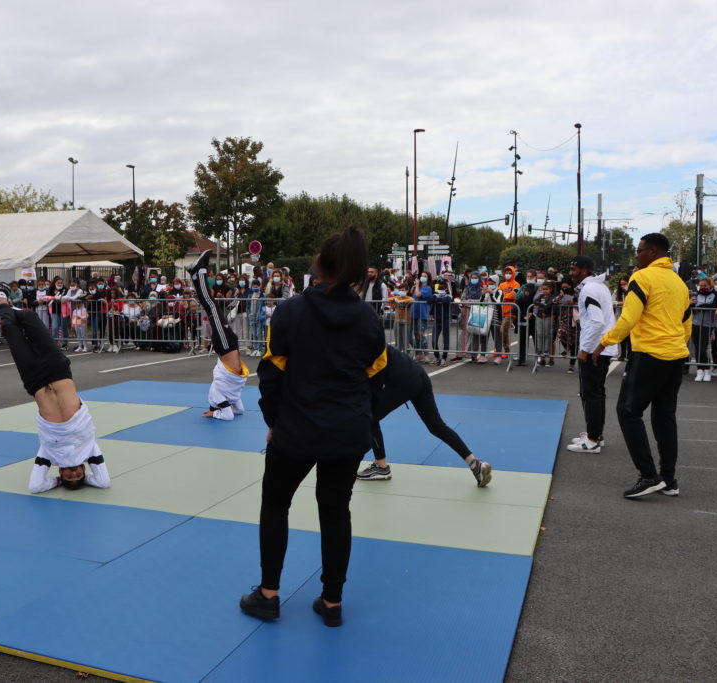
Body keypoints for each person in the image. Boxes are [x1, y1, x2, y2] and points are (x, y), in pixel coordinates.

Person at [239, 226, 386, 628]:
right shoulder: (369, 321)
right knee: (336, 511)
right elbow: (375, 381)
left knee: (275, 503)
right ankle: (332, 601)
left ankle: (268, 595)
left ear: (319, 263)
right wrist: (363, 423)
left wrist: (274, 422)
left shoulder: (290, 311)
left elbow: (270, 375)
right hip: (348, 431)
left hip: (296, 430)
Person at [0, 270, 110, 494]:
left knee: (10, 329)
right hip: (58, 371)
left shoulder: (48, 454)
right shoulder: (89, 449)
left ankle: (0, 295)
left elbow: (35, 486)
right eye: (79, 475)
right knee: (29, 319)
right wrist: (86, 478)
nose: (74, 473)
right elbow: (103, 482)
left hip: (35, 381)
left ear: (59, 473)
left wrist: (57, 482)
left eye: (70, 477)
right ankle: (7, 301)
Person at [593, 233, 690, 499]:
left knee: (627, 410)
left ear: (654, 252)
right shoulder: (679, 283)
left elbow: (630, 316)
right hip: (675, 354)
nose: (636, 254)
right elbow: (686, 323)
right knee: (664, 416)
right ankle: (669, 480)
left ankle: (648, 475)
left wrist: (606, 341)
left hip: (650, 353)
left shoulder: (642, 277)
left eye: (640, 250)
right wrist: (678, 345)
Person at [357, 345, 491, 485]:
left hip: (403, 381)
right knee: (436, 426)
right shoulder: (369, 336)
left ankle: (381, 466)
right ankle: (475, 463)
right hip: (418, 374)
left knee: (370, 417)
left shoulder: (357, 348)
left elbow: (371, 386)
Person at [187, 249, 250, 421]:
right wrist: (221, 408)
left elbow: (229, 416)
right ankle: (195, 275)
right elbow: (239, 411)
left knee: (211, 305)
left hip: (226, 345)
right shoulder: (231, 397)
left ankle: (199, 272)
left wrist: (215, 411)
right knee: (211, 305)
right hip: (230, 345)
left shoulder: (217, 395)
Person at [565, 256, 618, 454]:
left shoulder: (589, 289)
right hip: (601, 348)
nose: (571, 273)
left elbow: (596, 322)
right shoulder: (598, 287)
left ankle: (593, 439)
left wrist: (584, 350)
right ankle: (595, 434)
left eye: (574, 269)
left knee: (590, 394)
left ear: (585, 271)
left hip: (595, 350)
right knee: (596, 393)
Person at [690, 277, 717, 382]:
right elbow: (691, 305)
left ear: (710, 285)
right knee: (697, 349)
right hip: (696, 323)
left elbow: (715, 305)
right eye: (701, 286)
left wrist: (701, 305)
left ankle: (707, 370)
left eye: (705, 286)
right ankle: (699, 371)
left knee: (703, 348)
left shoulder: (714, 295)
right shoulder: (696, 294)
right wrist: (692, 304)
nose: (702, 287)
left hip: (708, 325)